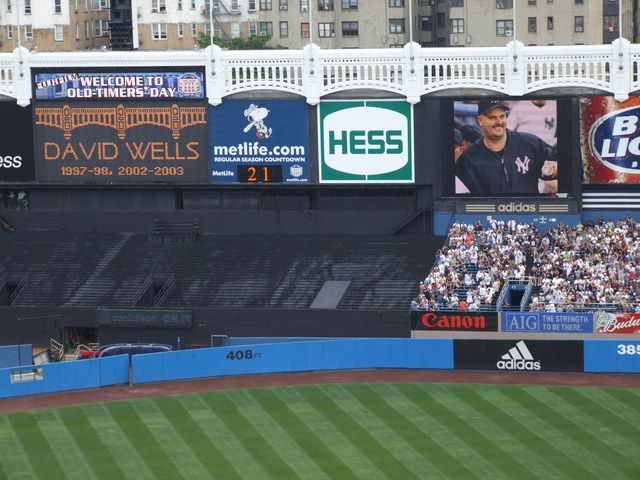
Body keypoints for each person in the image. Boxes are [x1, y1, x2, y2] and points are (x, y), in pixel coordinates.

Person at [455, 100, 558, 195]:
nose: (499, 122)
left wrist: (555, 166)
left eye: (502, 116)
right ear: (480, 120)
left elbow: (559, 163)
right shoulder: (468, 159)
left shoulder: (529, 143)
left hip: (528, 208)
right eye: (492, 117)